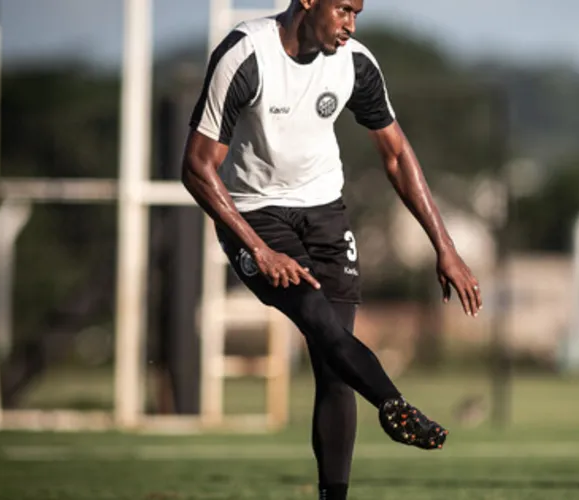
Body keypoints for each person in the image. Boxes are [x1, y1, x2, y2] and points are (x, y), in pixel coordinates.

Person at [181, 1, 483, 498]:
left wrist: (444, 247)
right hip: (255, 218)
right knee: (319, 322)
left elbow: (397, 154)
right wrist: (258, 248)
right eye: (343, 8)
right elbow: (196, 165)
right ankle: (394, 406)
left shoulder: (356, 62)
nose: (351, 24)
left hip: (325, 216)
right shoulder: (246, 53)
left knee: (337, 365)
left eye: (358, 12)